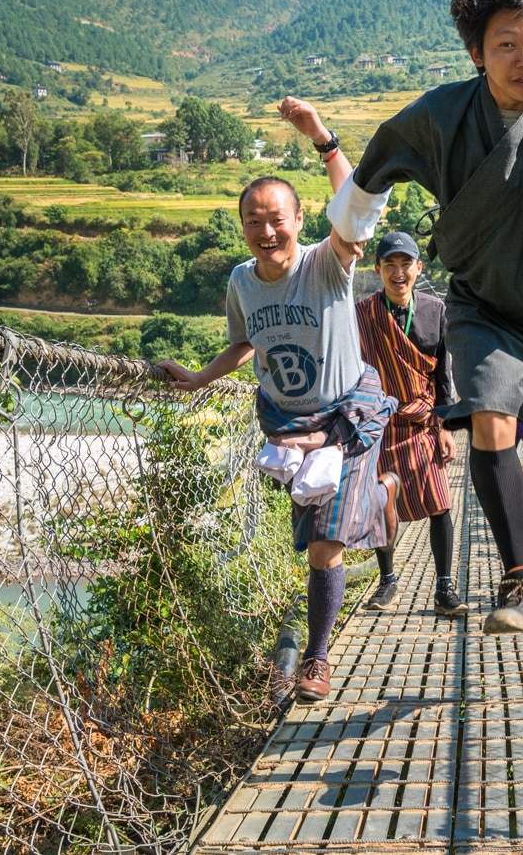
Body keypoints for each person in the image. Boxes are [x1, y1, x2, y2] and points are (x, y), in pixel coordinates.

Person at [284, 0, 523, 634]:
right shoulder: (445, 116)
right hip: (483, 306)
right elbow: (380, 159)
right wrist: (350, 226)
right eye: (505, 45)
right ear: (477, 55)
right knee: (489, 413)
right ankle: (518, 579)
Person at [157, 109, 398, 703]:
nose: (266, 232)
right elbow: (244, 344)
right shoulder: (241, 281)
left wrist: (323, 139)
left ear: (298, 221)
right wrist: (197, 378)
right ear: (242, 227)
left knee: (324, 544)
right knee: (317, 528)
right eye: (253, 222)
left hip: (346, 419)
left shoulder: (326, 262)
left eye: (277, 221)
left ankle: (316, 659)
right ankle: (381, 495)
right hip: (289, 426)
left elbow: (357, 208)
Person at [354, 230, 466, 617]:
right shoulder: (362, 314)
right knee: (381, 505)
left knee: (440, 503)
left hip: (423, 422)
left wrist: (447, 426)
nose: (398, 272)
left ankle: (444, 588)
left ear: (419, 268)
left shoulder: (437, 310)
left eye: (406, 264)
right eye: (390, 265)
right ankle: (387, 582)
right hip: (380, 423)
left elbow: (443, 376)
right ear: (377, 269)